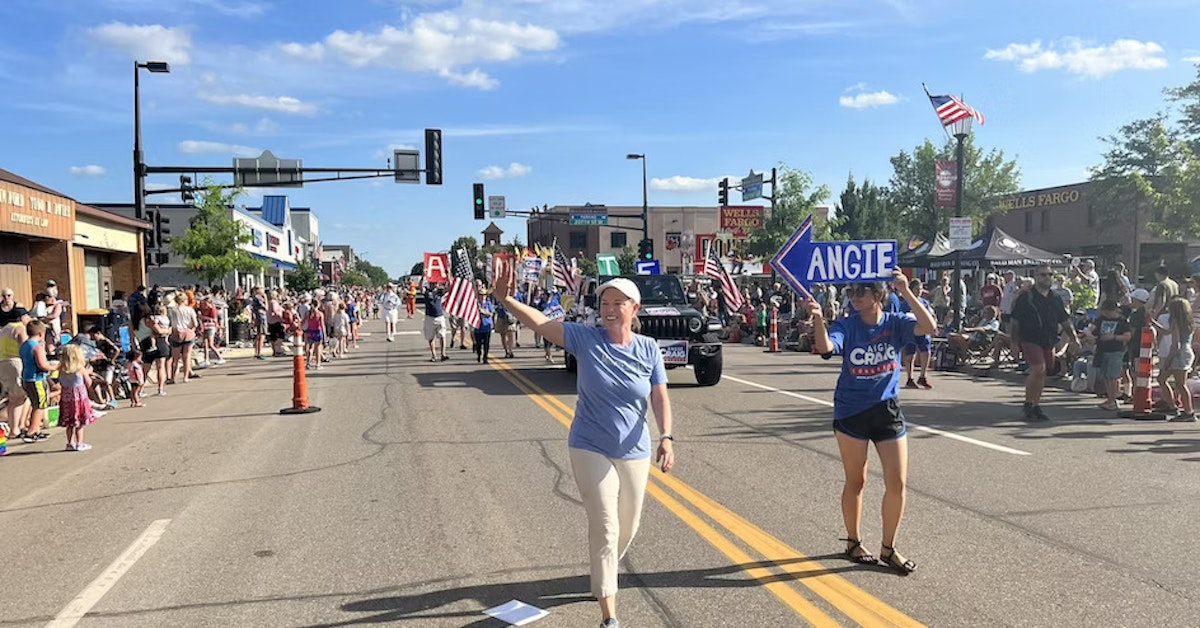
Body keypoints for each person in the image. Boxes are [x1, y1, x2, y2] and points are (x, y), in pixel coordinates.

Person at [495, 262, 675, 628]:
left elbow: (659, 396)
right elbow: (541, 324)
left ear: (634, 309)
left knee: (629, 525)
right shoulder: (585, 338)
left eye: (617, 303)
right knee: (606, 526)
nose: (608, 309)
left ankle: (600, 574)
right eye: (604, 302)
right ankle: (609, 614)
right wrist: (507, 299)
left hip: (635, 449)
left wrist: (666, 437)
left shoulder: (648, 349)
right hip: (589, 445)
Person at [808, 269, 935, 576]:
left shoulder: (896, 322)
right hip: (852, 411)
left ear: (878, 296)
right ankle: (853, 541)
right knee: (857, 481)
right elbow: (826, 347)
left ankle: (888, 548)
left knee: (897, 482)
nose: (853, 298)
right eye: (851, 293)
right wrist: (817, 319)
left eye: (860, 293)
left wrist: (906, 292)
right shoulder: (847, 325)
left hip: (886, 410)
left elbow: (929, 326)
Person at [1011, 265, 1080, 421]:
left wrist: (1074, 337)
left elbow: (1064, 319)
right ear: (1036, 277)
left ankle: (1036, 405)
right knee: (1038, 368)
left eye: (1050, 274)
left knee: (1045, 372)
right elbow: (1015, 321)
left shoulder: (1055, 298)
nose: (1047, 277)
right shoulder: (1026, 297)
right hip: (1029, 338)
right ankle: (1028, 404)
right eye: (1043, 275)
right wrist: (1014, 343)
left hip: (1048, 339)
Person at [57, 344, 104, 451]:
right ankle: (79, 443)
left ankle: (70, 443)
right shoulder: (80, 369)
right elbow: (89, 383)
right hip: (79, 399)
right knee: (79, 423)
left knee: (70, 423)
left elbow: (60, 382)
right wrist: (88, 373)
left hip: (66, 399)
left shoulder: (62, 370)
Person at [1157, 296, 1196, 421]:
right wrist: (1153, 322)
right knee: (1163, 379)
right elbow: (1167, 332)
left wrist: (1167, 361)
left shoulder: (1174, 321)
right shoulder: (1188, 322)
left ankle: (1188, 412)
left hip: (1179, 353)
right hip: (1187, 351)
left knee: (1180, 384)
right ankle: (1173, 406)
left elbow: (1175, 344)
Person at [19, 320, 58, 443]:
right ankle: (32, 431)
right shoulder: (36, 347)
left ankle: (36, 430)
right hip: (37, 379)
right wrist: (56, 367)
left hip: (26, 378)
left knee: (35, 403)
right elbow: (42, 365)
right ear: (41, 333)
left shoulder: (24, 345)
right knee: (40, 405)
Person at [1090, 299, 1131, 412]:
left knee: (1113, 377)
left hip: (1116, 351)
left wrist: (1113, 337)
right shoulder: (1101, 319)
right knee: (1107, 376)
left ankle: (1113, 400)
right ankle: (1110, 398)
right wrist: (1088, 334)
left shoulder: (1122, 322)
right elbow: (1092, 329)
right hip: (1103, 350)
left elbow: (1127, 336)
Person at [1, 308, 32, 438]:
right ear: (21, 317)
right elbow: (25, 346)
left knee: (14, 397)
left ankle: (15, 429)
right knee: (21, 396)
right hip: (15, 362)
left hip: (3, 362)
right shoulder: (19, 328)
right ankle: (17, 427)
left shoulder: (4, 329)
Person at [899, 278, 934, 390]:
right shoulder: (905, 303)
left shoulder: (924, 302)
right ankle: (910, 378)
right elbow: (901, 316)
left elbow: (931, 315)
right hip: (911, 330)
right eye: (916, 289)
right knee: (910, 354)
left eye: (920, 289)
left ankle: (923, 376)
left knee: (926, 351)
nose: (919, 291)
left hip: (923, 330)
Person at [424, 286, 449, 362]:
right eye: (432, 283)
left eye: (435, 283)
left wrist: (448, 276)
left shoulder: (440, 292)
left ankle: (443, 354)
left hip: (439, 316)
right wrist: (423, 277)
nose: (434, 284)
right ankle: (434, 355)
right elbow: (420, 287)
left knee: (442, 335)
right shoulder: (427, 292)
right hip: (429, 317)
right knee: (431, 337)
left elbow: (448, 288)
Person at [474, 290, 495, 363]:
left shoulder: (488, 304)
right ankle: (479, 355)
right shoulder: (475, 304)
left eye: (484, 295)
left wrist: (483, 311)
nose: (482, 296)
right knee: (478, 344)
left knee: (486, 344)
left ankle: (485, 357)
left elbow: (491, 314)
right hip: (478, 327)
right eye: (481, 295)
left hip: (486, 327)